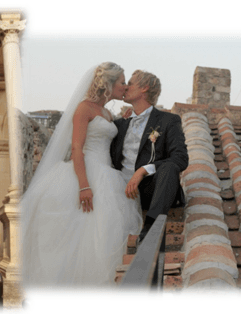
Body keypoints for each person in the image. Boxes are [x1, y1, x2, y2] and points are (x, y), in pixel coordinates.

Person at [22, 62, 143, 286]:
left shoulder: (107, 112)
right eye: (122, 82)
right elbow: (77, 147)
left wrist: (123, 119)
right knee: (80, 237)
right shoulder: (84, 108)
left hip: (107, 175)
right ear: (108, 84)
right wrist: (84, 185)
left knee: (103, 237)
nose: (125, 87)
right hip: (86, 173)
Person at [109, 70, 188, 240]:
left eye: (130, 83)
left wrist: (143, 170)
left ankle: (150, 230)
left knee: (169, 167)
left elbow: (180, 158)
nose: (125, 87)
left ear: (144, 88)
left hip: (151, 191)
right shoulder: (118, 124)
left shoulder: (168, 121)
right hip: (118, 190)